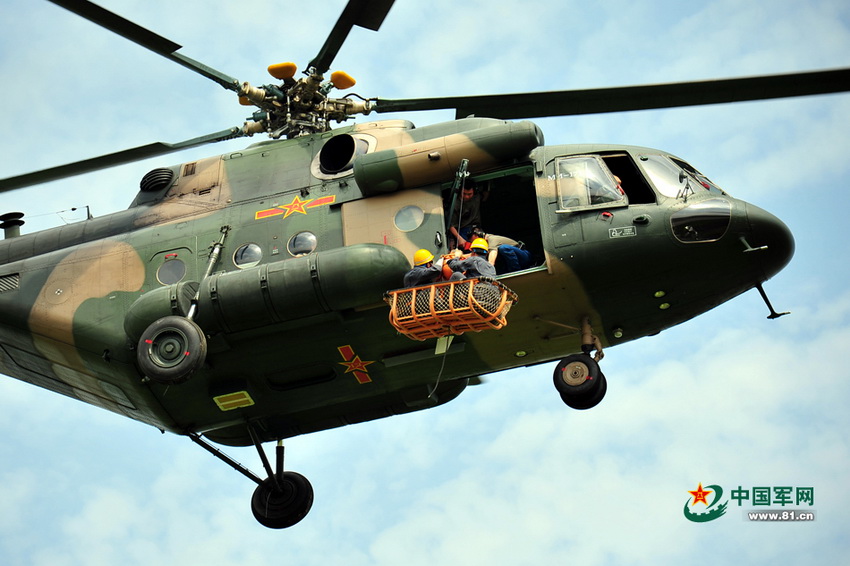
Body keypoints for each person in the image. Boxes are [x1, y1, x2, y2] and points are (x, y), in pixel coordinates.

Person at [448, 184, 482, 251]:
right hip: (463, 231)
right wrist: (459, 238)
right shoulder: (456, 204)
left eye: (469, 194)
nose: (467, 196)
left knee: (480, 250)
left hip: (477, 229)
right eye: (464, 194)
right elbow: (450, 225)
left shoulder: (477, 197)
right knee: (468, 251)